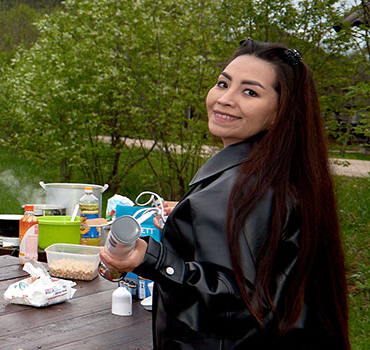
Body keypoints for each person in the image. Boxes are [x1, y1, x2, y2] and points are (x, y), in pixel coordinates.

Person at [100, 39, 349, 349]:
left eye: (250, 92)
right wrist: (188, 217)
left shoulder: (243, 186)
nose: (225, 99)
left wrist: (150, 257)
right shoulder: (277, 175)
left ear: (279, 112)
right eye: (222, 83)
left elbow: (238, 302)